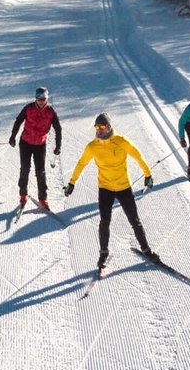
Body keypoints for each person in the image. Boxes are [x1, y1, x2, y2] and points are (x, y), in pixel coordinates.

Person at [63, 113, 156, 270]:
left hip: (123, 187)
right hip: (105, 188)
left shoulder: (121, 141)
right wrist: (72, 183)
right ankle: (103, 254)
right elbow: (81, 164)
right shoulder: (92, 147)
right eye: (97, 127)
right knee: (104, 221)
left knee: (134, 220)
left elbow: (137, 156)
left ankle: (146, 250)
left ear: (109, 127)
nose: (99, 130)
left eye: (102, 127)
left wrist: (147, 174)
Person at [9, 86, 63, 209]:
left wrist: (58, 145)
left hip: (40, 144)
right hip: (26, 142)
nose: (40, 101)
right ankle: (23, 194)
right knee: (25, 168)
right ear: (35, 98)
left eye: (43, 99)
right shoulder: (29, 108)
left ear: (46, 98)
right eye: (38, 99)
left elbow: (58, 128)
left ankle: (43, 198)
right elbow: (18, 121)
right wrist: (13, 136)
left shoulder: (51, 112)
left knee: (40, 171)